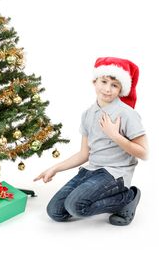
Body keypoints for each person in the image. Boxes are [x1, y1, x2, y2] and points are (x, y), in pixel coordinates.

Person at [34, 57, 148, 226]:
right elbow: (84, 154)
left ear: (121, 89)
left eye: (114, 85)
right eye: (104, 82)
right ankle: (103, 196)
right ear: (94, 82)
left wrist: (115, 135)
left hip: (115, 173)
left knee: (75, 207)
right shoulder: (88, 114)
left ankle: (128, 197)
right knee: (55, 212)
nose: (108, 89)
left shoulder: (126, 113)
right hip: (91, 170)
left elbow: (144, 153)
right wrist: (55, 168)